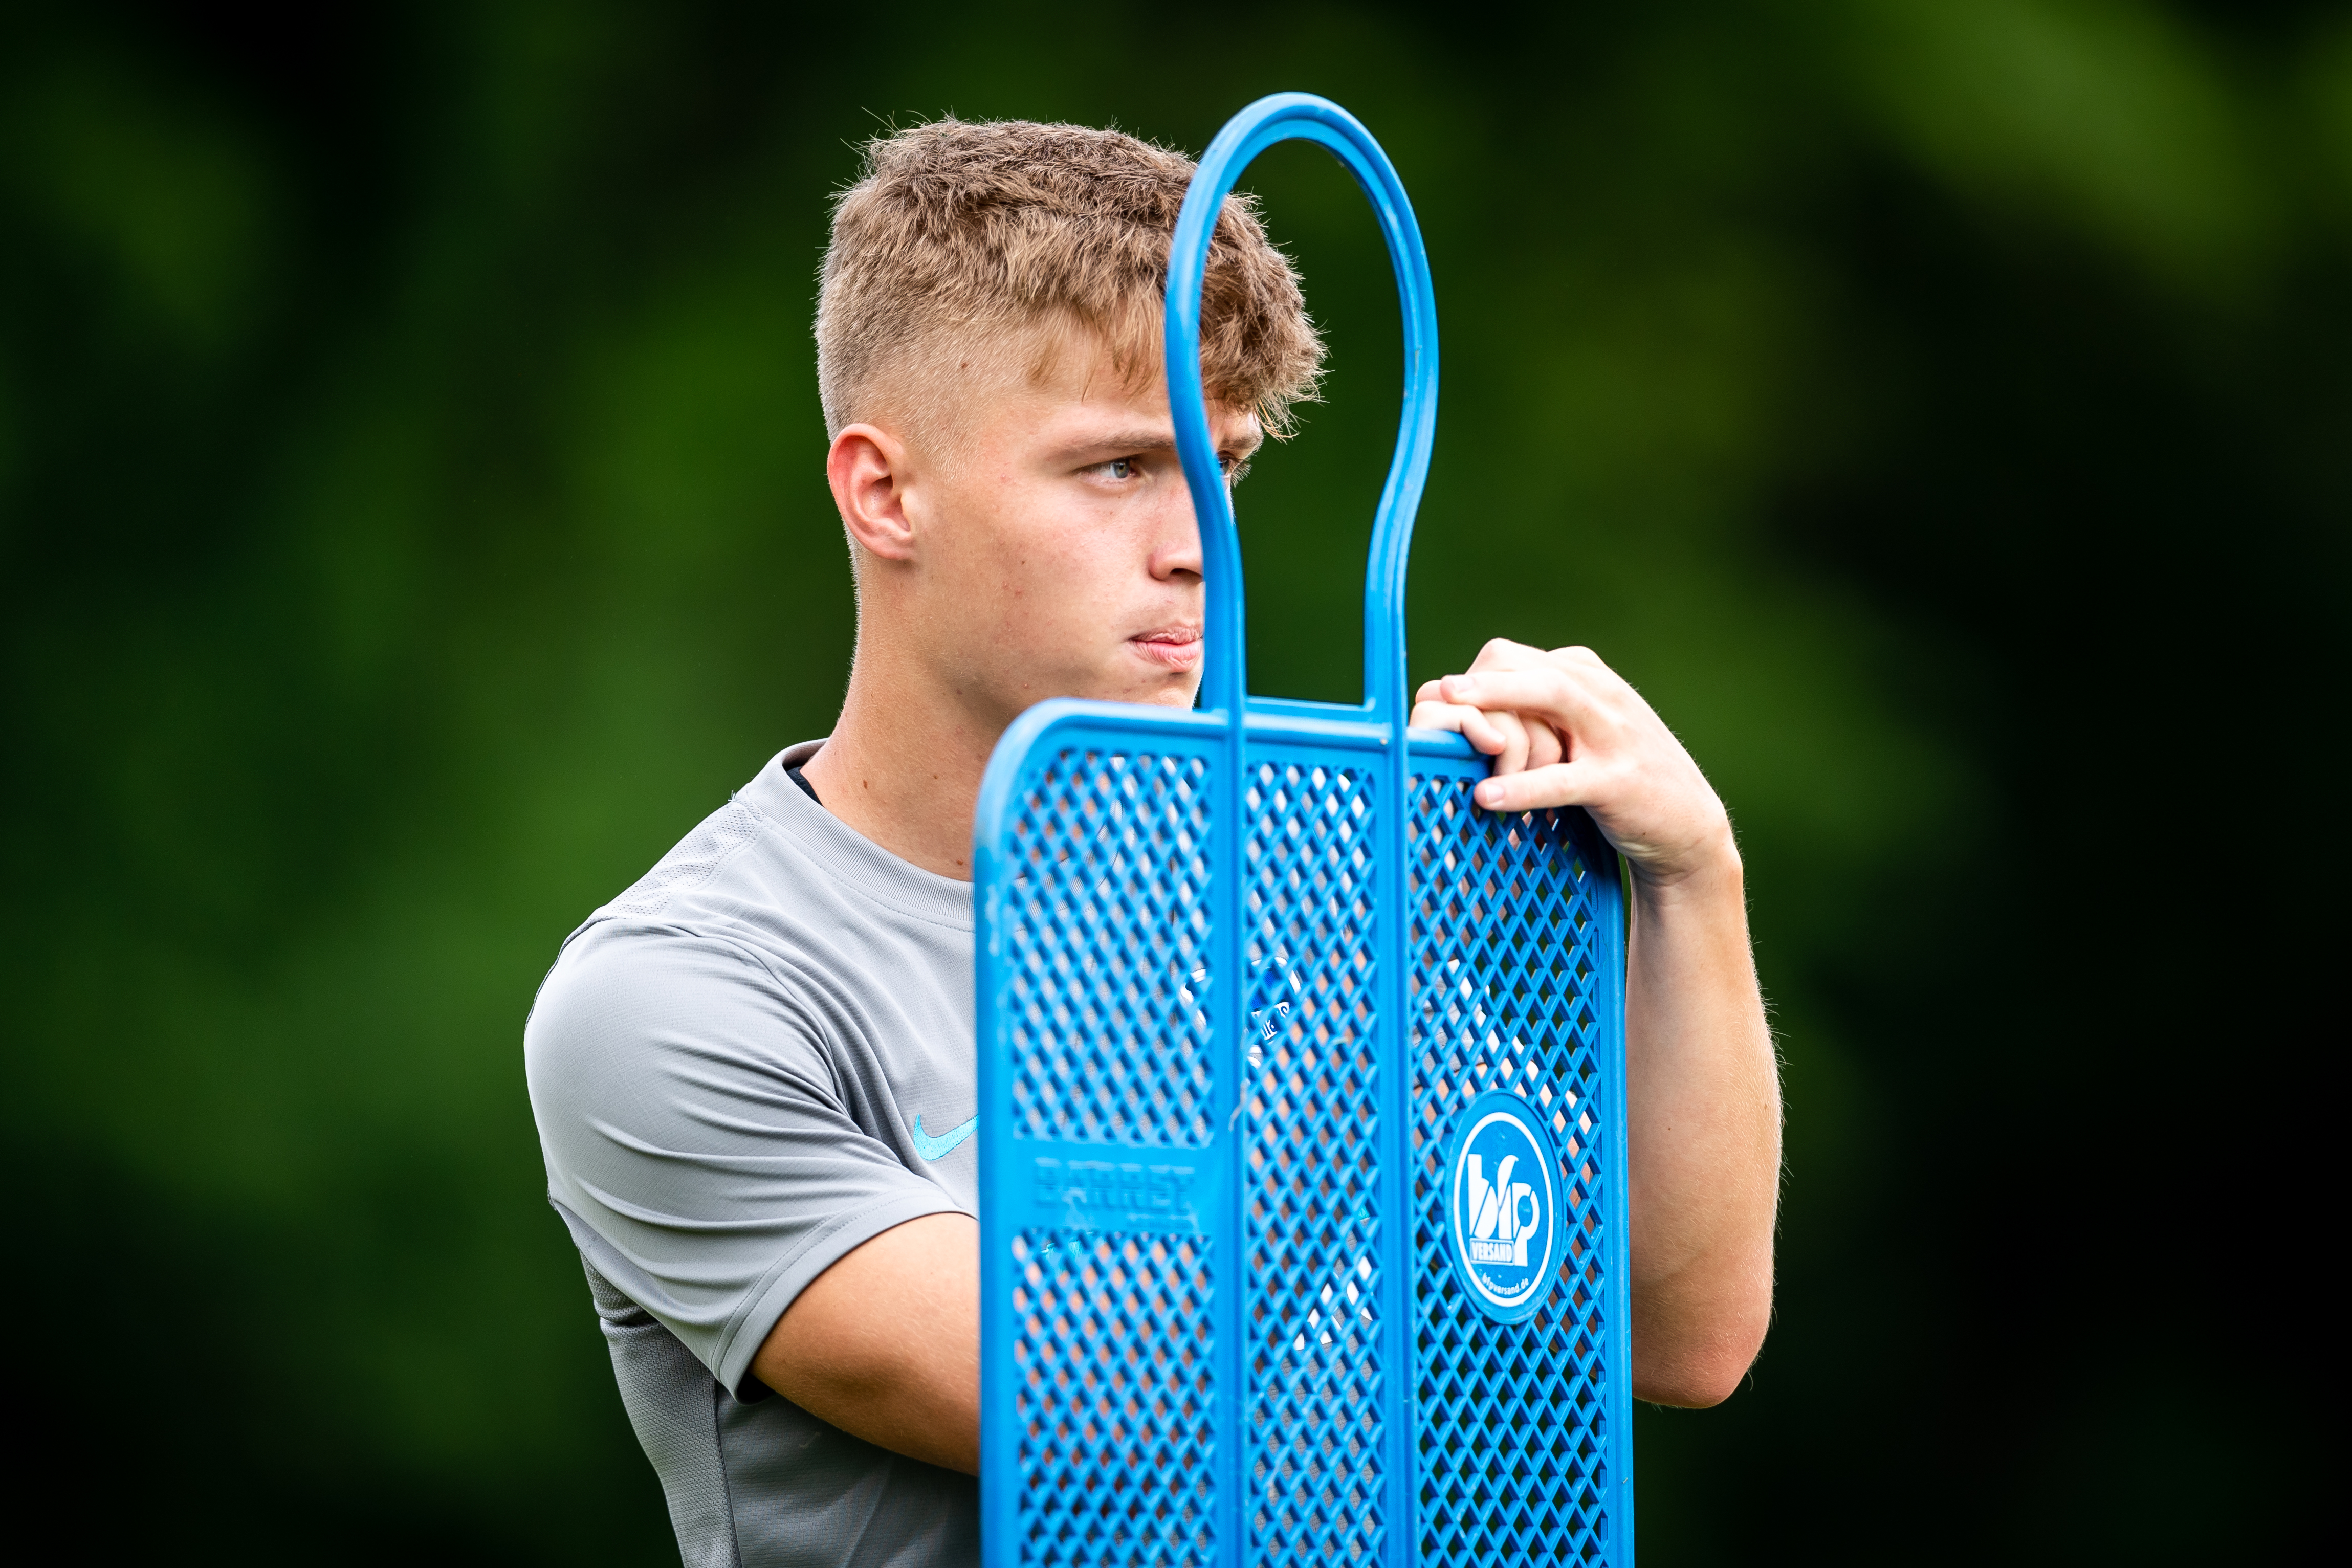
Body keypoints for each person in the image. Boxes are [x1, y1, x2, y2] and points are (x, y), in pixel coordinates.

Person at [524, 117, 1779, 1568]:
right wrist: (1365, 951)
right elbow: (1110, 1405)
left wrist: (1696, 880)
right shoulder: (679, 997)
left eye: (1223, 464)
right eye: (1120, 467)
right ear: (884, 492)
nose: (1199, 542)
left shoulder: (1301, 889)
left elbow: (1678, 1329)